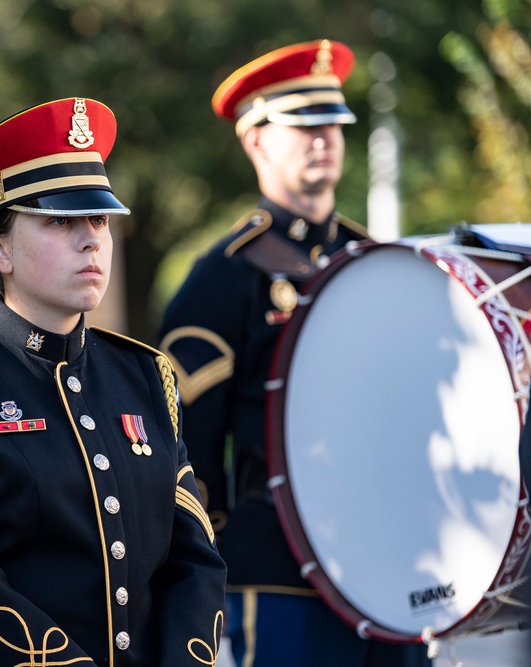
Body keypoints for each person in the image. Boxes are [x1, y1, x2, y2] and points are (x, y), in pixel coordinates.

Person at [0, 97, 227, 666]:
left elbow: (195, 558)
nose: (91, 239)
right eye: (59, 222)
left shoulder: (146, 376)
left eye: (97, 220)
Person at [158, 40, 430, 666]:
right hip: (279, 566)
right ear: (255, 141)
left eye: (334, 124)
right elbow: (188, 444)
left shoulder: (374, 264)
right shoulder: (221, 280)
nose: (324, 138)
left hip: (389, 559)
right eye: (304, 124)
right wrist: (211, 563)